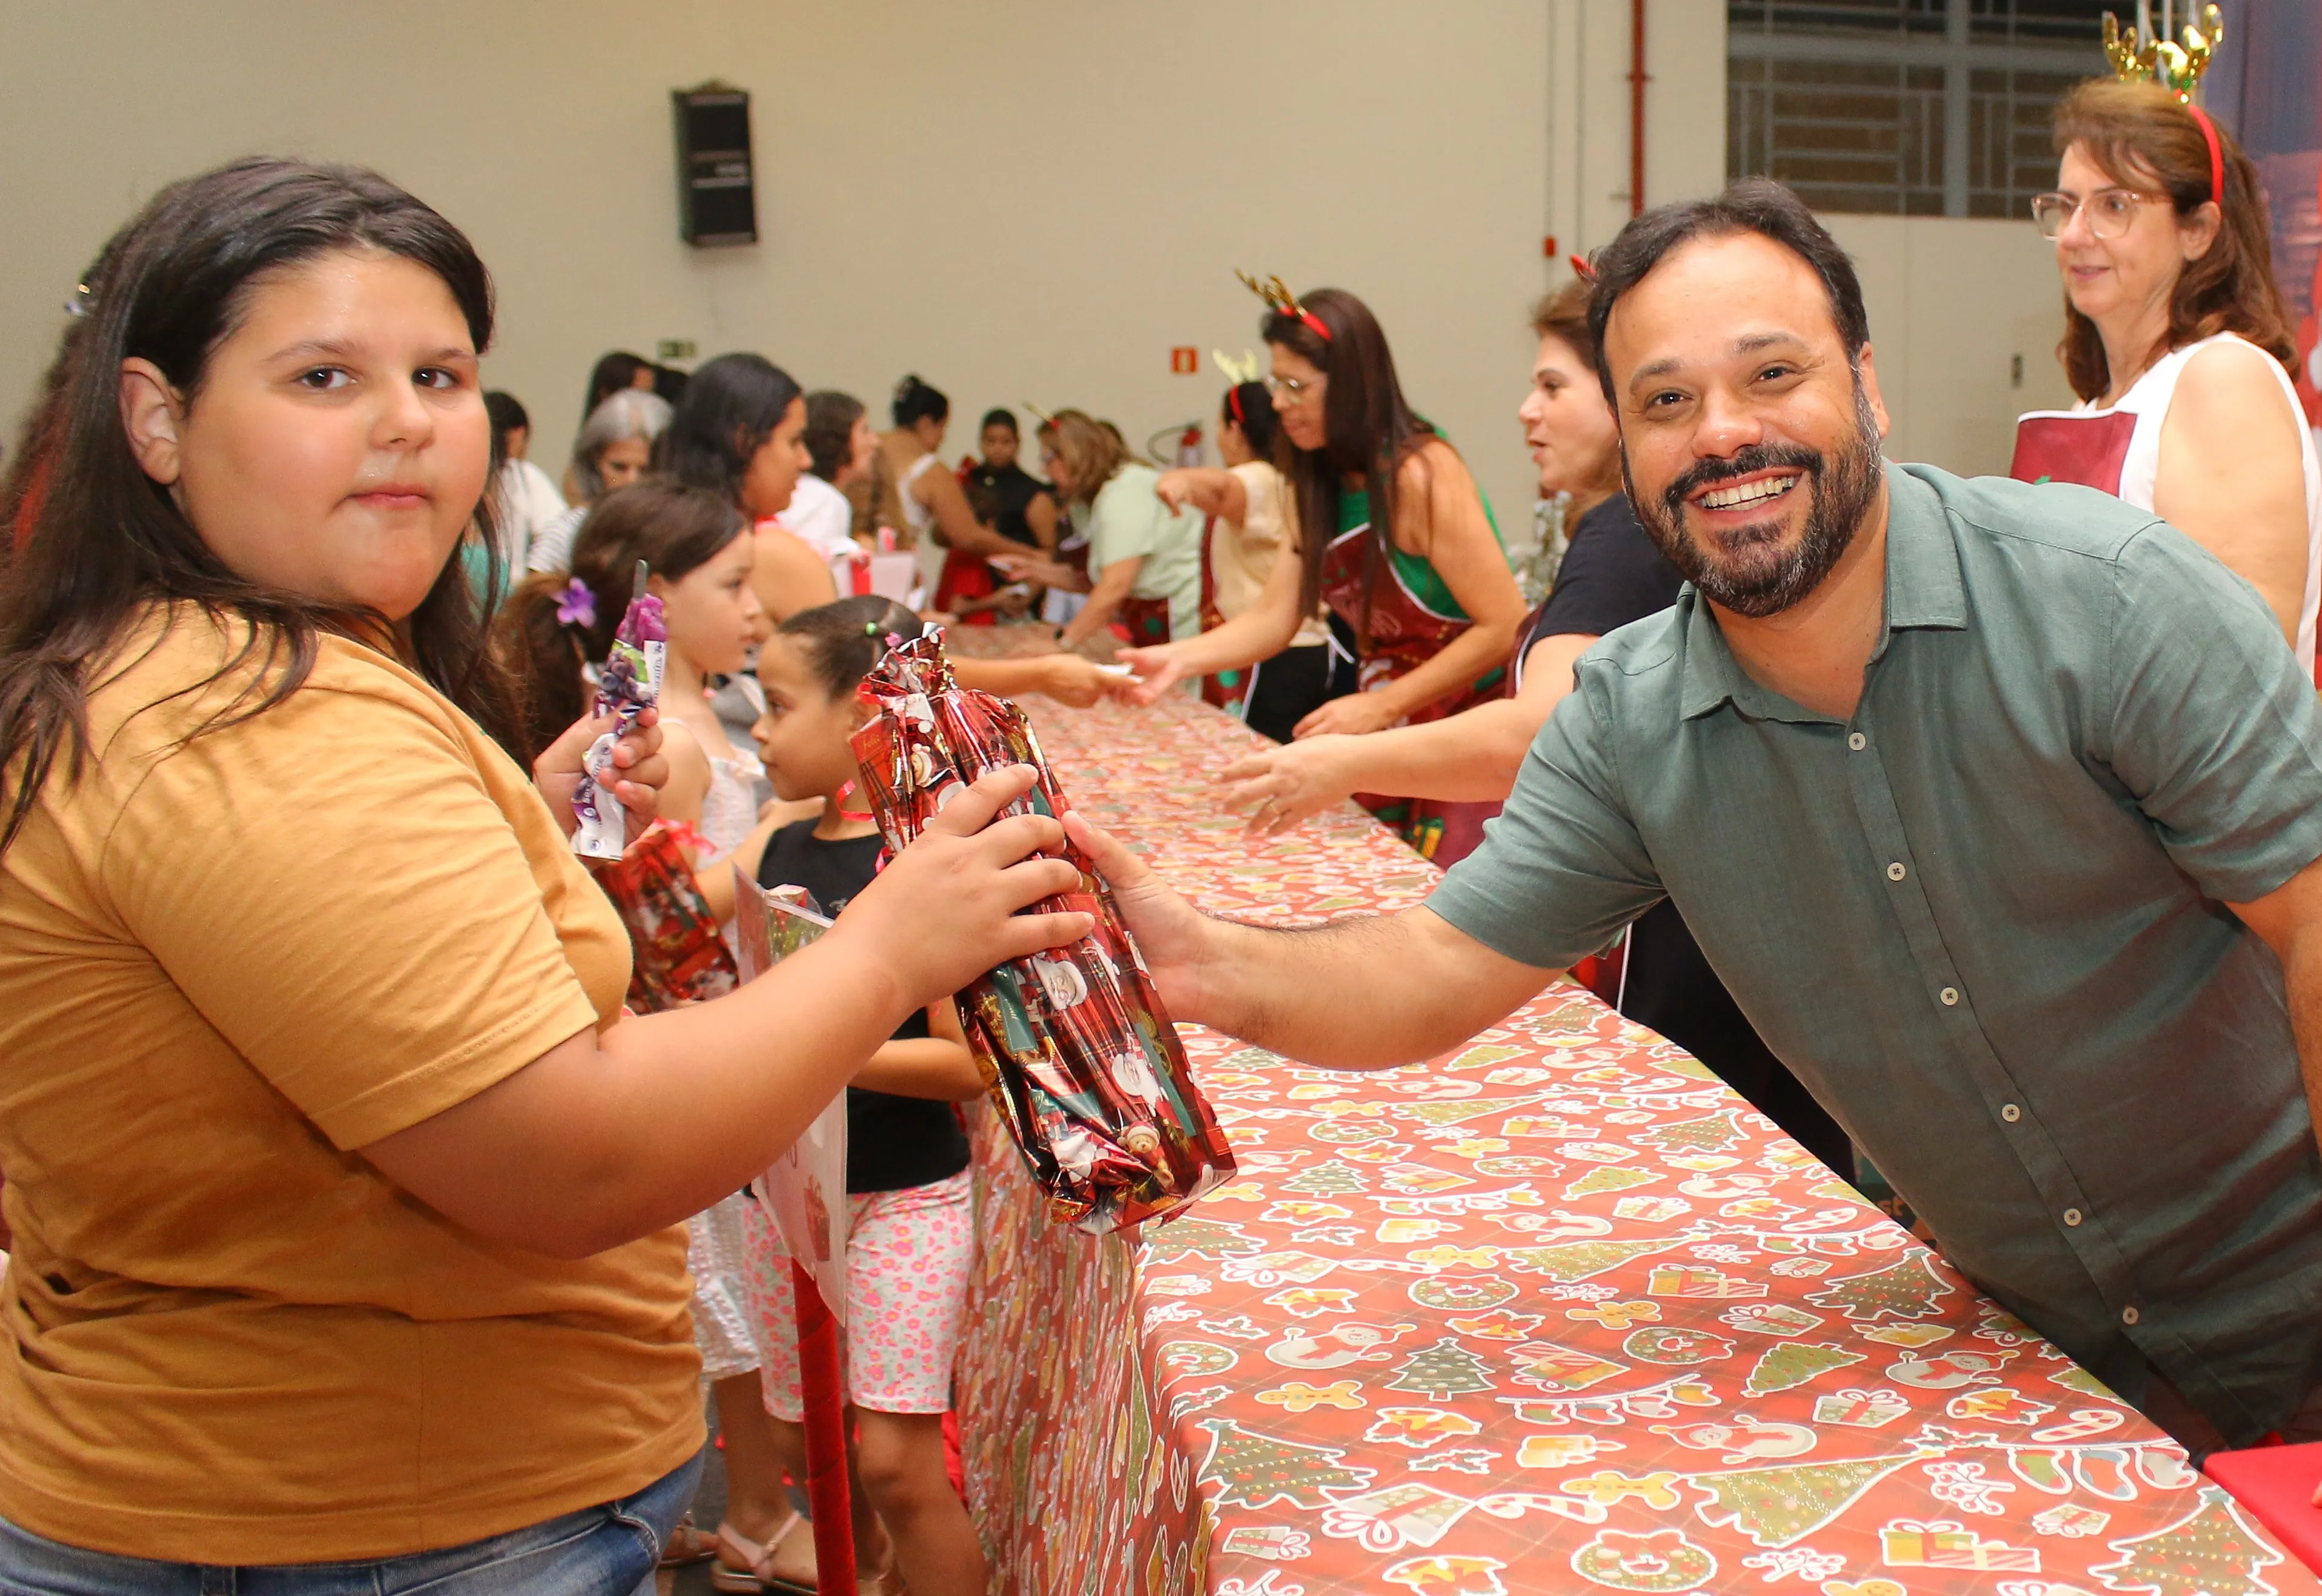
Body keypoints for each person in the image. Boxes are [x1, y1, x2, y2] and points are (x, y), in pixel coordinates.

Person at [1079, 178, 2322, 1459]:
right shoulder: (1630, 724)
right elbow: (1433, 966)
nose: (1723, 436)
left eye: (1771, 374)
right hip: (2028, 1379)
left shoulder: (2105, 603)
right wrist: (1193, 960)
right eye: (1666, 402)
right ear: (1629, 453)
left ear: (1867, 386)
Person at [0, 156, 1092, 1588]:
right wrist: (890, 945)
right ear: (155, 416)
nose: (402, 425)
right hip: (365, 1522)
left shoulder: (239, 672)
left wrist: (513, 819)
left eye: (441, 376)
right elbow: (570, 1158)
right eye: (323, 379)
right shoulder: (248, 723)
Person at [1213, 281, 1849, 1174]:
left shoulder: (1623, 537)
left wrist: (1346, 755)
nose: (1525, 411)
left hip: (1677, 942)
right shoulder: (1628, 532)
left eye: (1552, 387)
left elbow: (1542, 728)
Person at [495, 480, 796, 1577]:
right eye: (735, 584)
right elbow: (653, 913)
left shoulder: (688, 714)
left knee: (723, 1292)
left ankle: (695, 1508)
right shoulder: (661, 733)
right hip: (695, 1030)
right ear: (656, 596)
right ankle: (755, 1506)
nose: (758, 608)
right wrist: (777, 842)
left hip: (711, 1024)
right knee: (723, 1295)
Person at [725, 597, 991, 1596]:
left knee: (892, 1461)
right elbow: (655, 927)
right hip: (787, 1198)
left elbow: (963, 1064)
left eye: (780, 701)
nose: (756, 724)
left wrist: (817, 1039)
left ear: (861, 716)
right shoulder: (772, 839)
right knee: (819, 1446)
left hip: (904, 1199)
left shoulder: (914, 863)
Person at [1119, 284, 1527, 863]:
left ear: (1353, 386)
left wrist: (1384, 706)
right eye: (1275, 385)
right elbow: (1275, 618)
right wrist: (1178, 658)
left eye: (1296, 387)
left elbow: (1502, 624)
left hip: (1467, 721)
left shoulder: (1420, 473)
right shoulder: (1322, 483)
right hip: (1387, 715)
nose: (1279, 404)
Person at [2013, 76, 2322, 673]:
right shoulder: (2096, 400)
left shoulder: (2222, 379)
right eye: (2067, 205)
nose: (2076, 235)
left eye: (2114, 206)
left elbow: (2233, 667)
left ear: (2198, 231)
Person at [1150, 377, 1333, 742]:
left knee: (1261, 761)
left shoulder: (1259, 478)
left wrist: (1182, 478)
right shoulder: (1287, 478)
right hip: (1290, 649)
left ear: (1234, 430)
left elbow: (1221, 490)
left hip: (1273, 657)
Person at [993, 410, 1203, 651]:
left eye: (1047, 459)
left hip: (1181, 615)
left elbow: (1115, 585)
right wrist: (1031, 570)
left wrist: (1062, 644)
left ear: (1070, 456)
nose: (1044, 470)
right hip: (1154, 617)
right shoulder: (1094, 499)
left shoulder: (1124, 492)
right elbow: (1094, 578)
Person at [663, 352, 838, 624]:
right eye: (794, 441)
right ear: (743, 442)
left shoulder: (655, 529)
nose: (806, 460)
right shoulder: (772, 553)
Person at [875, 376, 1026, 613]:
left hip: (855, 567)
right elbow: (968, 536)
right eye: (943, 427)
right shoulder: (929, 470)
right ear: (927, 423)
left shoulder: (869, 448)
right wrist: (1031, 555)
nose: (943, 438)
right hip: (896, 573)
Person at [529, 387, 672, 574]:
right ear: (595, 462)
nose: (632, 480)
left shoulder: (680, 533)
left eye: (646, 470)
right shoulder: (568, 534)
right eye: (619, 467)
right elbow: (533, 600)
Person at [782, 389, 879, 563]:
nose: (875, 441)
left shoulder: (806, 492)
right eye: (864, 431)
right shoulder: (826, 502)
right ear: (837, 440)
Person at [484, 389, 567, 573]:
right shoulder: (523, 475)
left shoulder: (459, 473)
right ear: (518, 434)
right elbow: (556, 530)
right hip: (511, 585)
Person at [964, 407, 1060, 556]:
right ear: (981, 441)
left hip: (1016, 572)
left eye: (1006, 442)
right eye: (991, 441)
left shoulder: (1031, 491)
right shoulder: (970, 480)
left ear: (1017, 443)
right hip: (969, 570)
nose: (998, 448)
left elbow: (1050, 550)